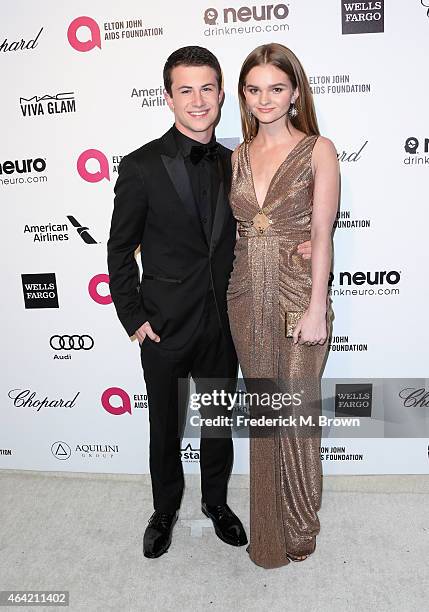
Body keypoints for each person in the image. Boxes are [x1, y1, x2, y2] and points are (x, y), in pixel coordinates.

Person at [107, 45, 312, 560]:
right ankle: (164, 510)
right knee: (165, 428)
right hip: (165, 326)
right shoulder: (140, 165)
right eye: (185, 90)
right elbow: (117, 249)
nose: (198, 100)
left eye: (207, 88)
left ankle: (216, 504)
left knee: (218, 426)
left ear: (223, 95)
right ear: (168, 97)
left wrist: (306, 245)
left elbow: (268, 223)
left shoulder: (238, 162)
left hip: (226, 322)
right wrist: (134, 318)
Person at [227, 43, 339, 569]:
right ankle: (268, 529)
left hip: (298, 294)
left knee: (296, 411)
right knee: (266, 415)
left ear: (295, 92)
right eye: (254, 90)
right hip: (246, 294)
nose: (264, 99)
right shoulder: (237, 156)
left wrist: (317, 306)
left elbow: (322, 232)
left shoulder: (319, 149)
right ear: (244, 97)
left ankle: (301, 524)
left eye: (276, 88)